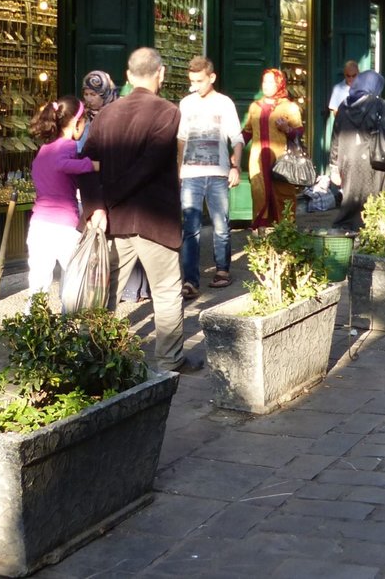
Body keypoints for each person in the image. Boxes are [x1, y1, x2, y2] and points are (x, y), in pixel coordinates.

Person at [81, 48, 198, 373]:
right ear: (159, 74)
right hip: (153, 219)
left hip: (113, 220)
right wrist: (107, 202)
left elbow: (84, 164)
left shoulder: (106, 114)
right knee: (166, 291)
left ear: (129, 77)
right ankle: (170, 360)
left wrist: (97, 206)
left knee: (107, 293)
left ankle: (95, 356)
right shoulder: (168, 112)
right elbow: (148, 166)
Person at [177, 56, 243, 295]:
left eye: (200, 81)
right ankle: (191, 281)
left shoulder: (224, 103)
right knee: (190, 228)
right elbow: (182, 138)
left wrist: (236, 166)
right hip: (191, 174)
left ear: (212, 78)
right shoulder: (186, 103)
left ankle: (222, 270)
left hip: (217, 173)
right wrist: (179, 169)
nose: (195, 85)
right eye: (192, 81)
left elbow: (236, 137)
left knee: (220, 224)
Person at [82, 69, 147, 303]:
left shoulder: (116, 115)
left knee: (124, 238)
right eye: (86, 93)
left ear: (105, 93)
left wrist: (98, 164)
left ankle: (133, 288)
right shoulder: (84, 119)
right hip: (92, 184)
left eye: (93, 94)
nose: (89, 98)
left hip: (114, 184)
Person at [26, 96, 95, 299]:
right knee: (73, 283)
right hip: (64, 226)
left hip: (39, 224)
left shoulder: (43, 149)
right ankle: (69, 326)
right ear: (76, 122)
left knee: (38, 285)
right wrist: (92, 165)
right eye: (85, 122)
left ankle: (32, 327)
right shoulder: (68, 146)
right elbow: (62, 165)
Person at [328, 70, 385, 231]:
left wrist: (333, 165)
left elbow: (335, 136)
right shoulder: (379, 104)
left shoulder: (344, 105)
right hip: (374, 161)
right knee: (373, 202)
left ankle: (345, 232)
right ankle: (369, 239)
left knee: (350, 200)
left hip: (347, 160)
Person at [243, 67, 304, 228]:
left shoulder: (289, 107)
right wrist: (234, 151)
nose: (266, 85)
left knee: (284, 197)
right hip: (258, 162)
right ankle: (262, 239)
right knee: (259, 195)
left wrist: (287, 129)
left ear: (279, 83)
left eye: (271, 82)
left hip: (281, 162)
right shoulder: (255, 107)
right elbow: (247, 132)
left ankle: (286, 236)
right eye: (264, 81)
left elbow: (299, 132)